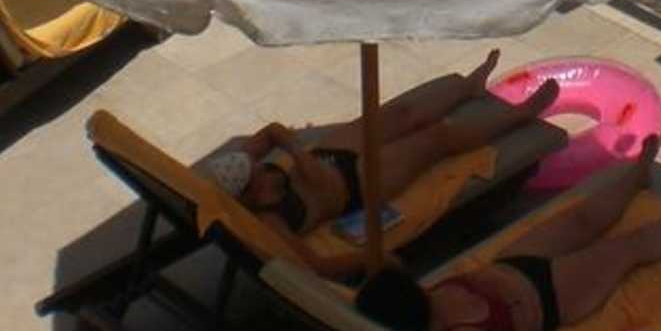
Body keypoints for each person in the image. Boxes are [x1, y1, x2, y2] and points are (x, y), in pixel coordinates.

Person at [354, 137, 661, 331]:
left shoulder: (423, 299)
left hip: (514, 264)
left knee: (582, 218)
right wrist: (518, 318)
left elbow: (391, 265)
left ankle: (637, 175)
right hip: (551, 297)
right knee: (629, 247)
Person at [203, 51, 565, 255]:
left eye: (253, 165)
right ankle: (521, 116)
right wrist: (371, 259)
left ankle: (468, 88)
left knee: (402, 114)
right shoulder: (271, 222)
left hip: (328, 155)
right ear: (244, 196)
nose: (257, 167)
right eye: (253, 174)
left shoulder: (238, 169)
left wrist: (296, 156)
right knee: (435, 138)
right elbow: (313, 265)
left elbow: (271, 131)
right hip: (356, 186)